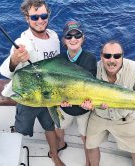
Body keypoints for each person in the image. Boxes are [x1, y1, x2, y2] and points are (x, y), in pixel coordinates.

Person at [0, 0, 64, 165]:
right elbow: (5, 71)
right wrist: (15, 59)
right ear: (27, 19)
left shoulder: (54, 36)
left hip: (49, 95)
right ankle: (15, 138)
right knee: (22, 129)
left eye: (43, 15)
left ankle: (54, 155)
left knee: (50, 126)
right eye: (34, 17)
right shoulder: (23, 43)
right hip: (29, 99)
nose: (40, 20)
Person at [83, 40, 135, 166]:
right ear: (101, 56)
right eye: (107, 56)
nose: (112, 60)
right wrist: (87, 105)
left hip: (125, 118)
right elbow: (85, 95)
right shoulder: (93, 69)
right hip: (99, 115)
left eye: (116, 56)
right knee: (90, 146)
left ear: (122, 56)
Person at [55, 21, 97, 166]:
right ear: (64, 40)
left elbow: (90, 87)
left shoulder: (90, 58)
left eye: (77, 35)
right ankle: (60, 143)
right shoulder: (59, 59)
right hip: (64, 107)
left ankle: (87, 162)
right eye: (69, 36)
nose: (73, 39)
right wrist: (59, 100)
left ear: (83, 38)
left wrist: (87, 104)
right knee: (59, 128)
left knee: (85, 136)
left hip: (83, 109)